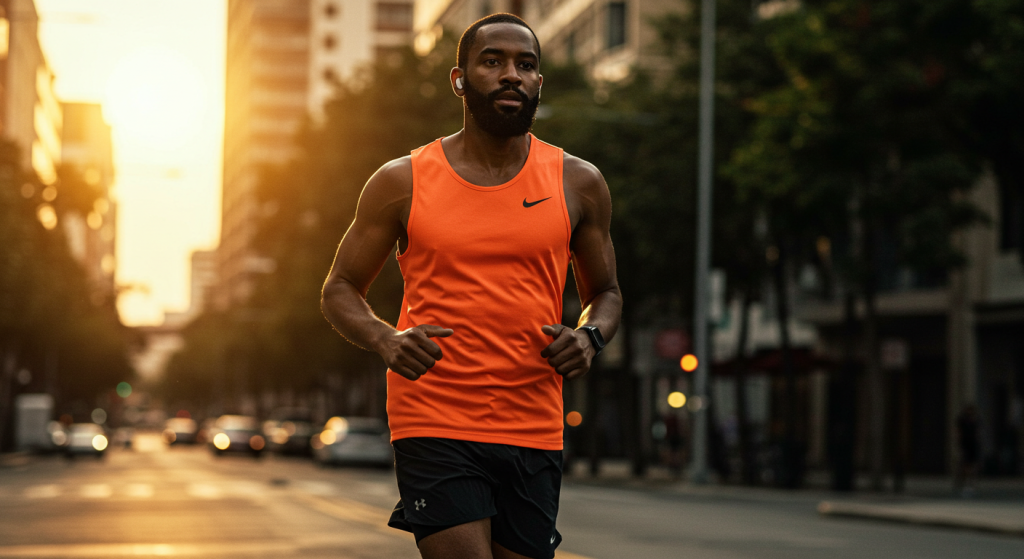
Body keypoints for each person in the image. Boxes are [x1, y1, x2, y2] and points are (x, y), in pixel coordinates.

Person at [320, 13, 622, 559]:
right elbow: (339, 287)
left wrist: (589, 337)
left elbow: (606, 294)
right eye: (493, 61)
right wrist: (385, 339)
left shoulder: (579, 182)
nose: (511, 75)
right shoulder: (401, 180)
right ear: (459, 79)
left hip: (533, 421)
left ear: (538, 82)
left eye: (525, 65)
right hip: (433, 415)